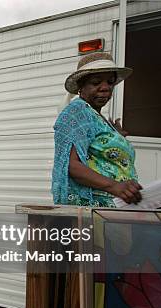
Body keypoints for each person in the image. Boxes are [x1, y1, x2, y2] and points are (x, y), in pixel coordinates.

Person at [51, 52, 143, 207]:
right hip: (93, 211)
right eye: (96, 82)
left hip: (114, 208)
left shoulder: (96, 116)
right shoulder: (78, 110)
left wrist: (117, 137)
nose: (105, 88)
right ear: (81, 86)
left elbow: (97, 152)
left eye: (110, 82)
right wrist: (115, 186)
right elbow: (70, 165)